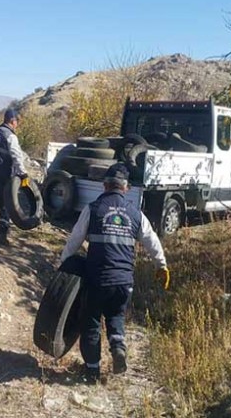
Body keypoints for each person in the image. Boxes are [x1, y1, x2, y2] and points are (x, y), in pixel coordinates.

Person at [59, 163, 170, 384]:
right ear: (126, 188)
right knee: (116, 316)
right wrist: (162, 265)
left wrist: (64, 266)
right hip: (124, 282)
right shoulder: (136, 214)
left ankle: (92, 372)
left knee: (90, 322)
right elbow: (152, 241)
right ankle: (118, 347)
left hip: (97, 280)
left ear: (105, 185)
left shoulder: (93, 209)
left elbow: (74, 242)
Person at [0, 108, 28, 246]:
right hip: (4, 173)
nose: (17, 125)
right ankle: (2, 231)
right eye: (17, 122)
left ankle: (2, 222)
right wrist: (23, 173)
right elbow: (16, 156)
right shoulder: (10, 136)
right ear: (12, 121)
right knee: (7, 201)